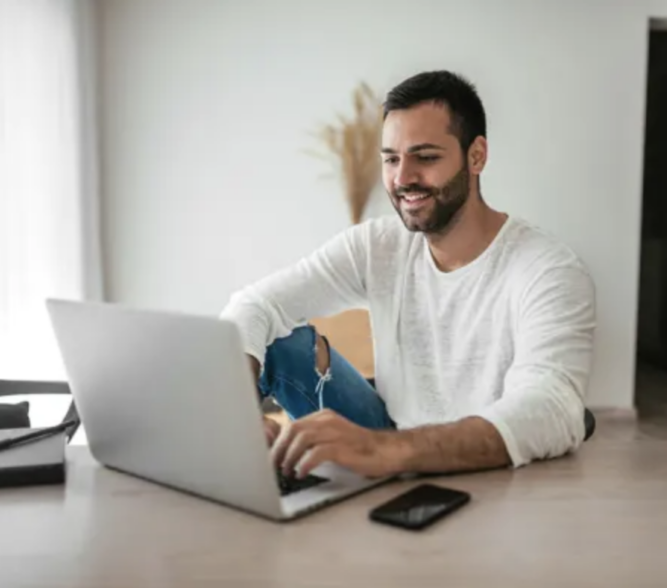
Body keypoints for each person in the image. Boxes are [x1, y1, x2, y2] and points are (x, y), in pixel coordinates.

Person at [220, 70, 596, 480]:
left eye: (426, 157)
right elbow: (255, 303)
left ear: (477, 156)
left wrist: (388, 450)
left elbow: (552, 408)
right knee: (277, 339)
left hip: (480, 466)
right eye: (391, 158)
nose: (402, 179)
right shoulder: (378, 245)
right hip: (388, 437)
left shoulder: (547, 269)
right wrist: (235, 411)